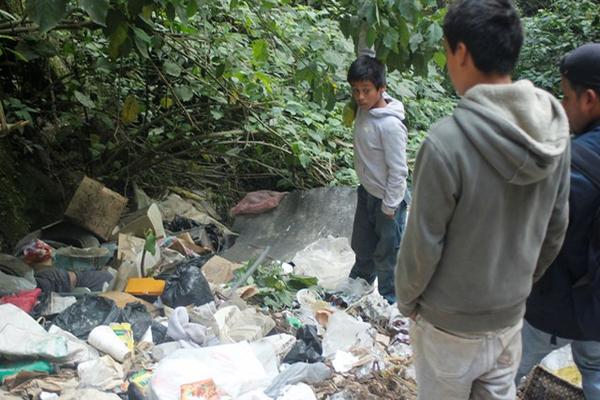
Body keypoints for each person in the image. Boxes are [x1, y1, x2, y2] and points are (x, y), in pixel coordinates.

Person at [394, 0, 571, 398]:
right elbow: (555, 230)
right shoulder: (554, 133)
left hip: (448, 326)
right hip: (510, 318)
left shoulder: (446, 143)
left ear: (461, 51)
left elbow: (422, 246)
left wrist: (407, 301)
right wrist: (519, 285)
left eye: (445, 50)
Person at [517, 43, 600, 399]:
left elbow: (542, 236)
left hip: (558, 306)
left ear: (590, 99)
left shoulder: (574, 162)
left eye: (566, 98)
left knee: (500, 372)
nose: (563, 108)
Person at [346, 54, 409, 305]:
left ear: (382, 89)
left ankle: (390, 302)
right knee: (362, 245)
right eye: (355, 90)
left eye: (366, 91)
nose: (360, 97)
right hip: (368, 192)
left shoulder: (391, 127)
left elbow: (398, 170)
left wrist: (390, 206)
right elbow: (365, 48)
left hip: (388, 200)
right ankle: (357, 287)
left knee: (386, 254)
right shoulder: (364, 109)